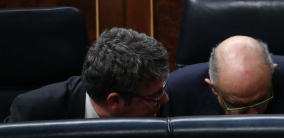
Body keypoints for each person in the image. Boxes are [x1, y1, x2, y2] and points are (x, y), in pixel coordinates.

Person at [5, 27, 169, 122]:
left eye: (161, 89)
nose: (165, 98)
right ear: (114, 100)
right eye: (155, 95)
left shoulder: (164, 108)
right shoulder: (34, 113)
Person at [159, 35, 284, 116]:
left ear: (272, 73)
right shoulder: (173, 94)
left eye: (261, 101)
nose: (252, 117)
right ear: (214, 88)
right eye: (238, 106)